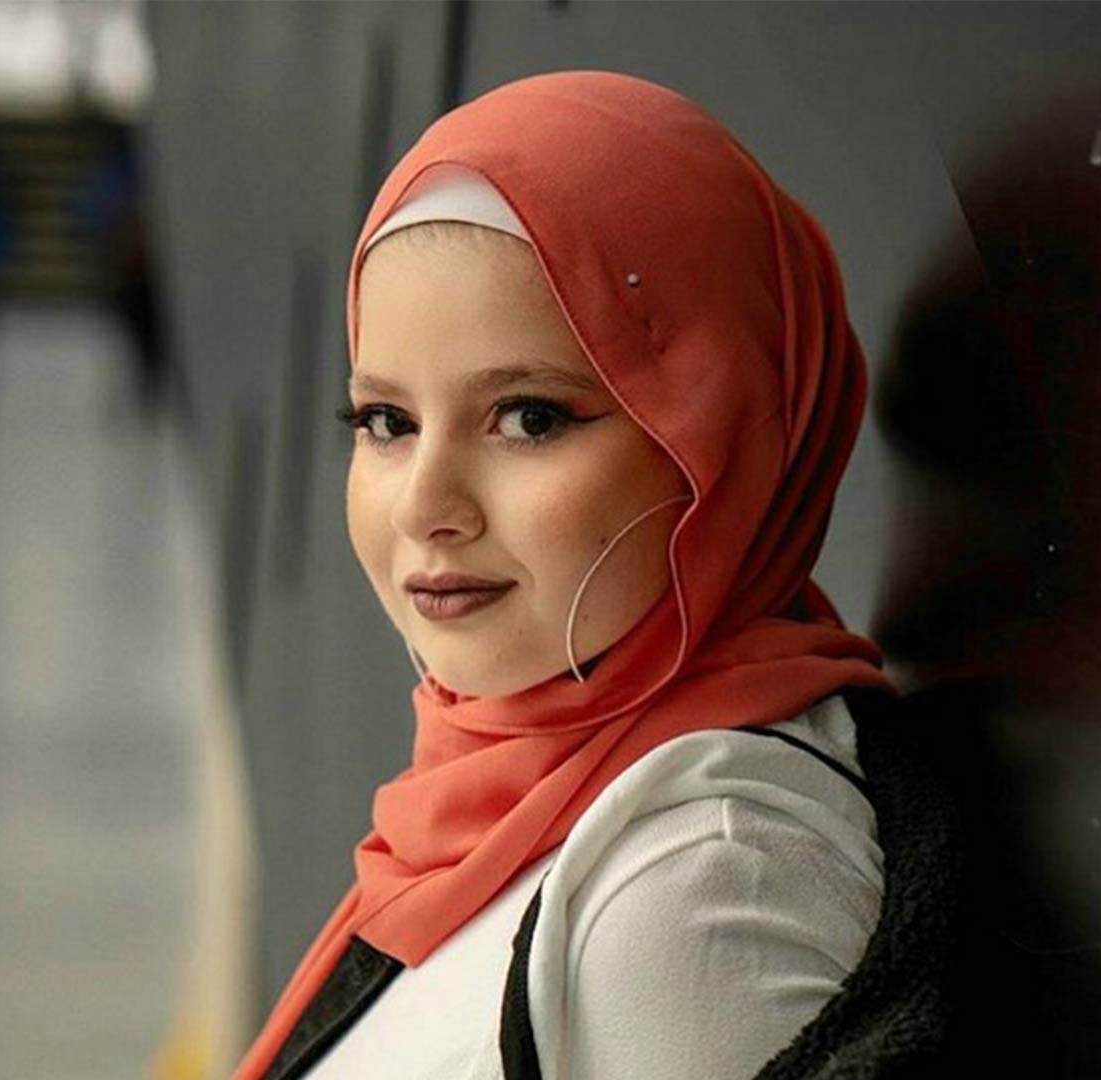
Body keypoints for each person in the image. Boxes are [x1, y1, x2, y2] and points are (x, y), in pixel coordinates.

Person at [231, 70, 954, 1080]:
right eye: (385, 421)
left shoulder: (708, 879)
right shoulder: (487, 801)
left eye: (530, 416)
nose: (426, 505)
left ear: (726, 436)